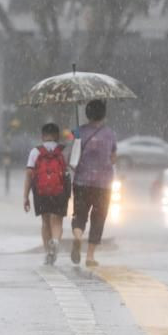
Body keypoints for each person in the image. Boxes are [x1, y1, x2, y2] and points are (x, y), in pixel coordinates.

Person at [71, 99, 116, 268]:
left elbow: (72, 157)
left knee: (80, 214)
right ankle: (89, 257)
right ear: (103, 114)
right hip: (103, 184)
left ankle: (77, 235)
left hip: (81, 181)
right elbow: (113, 158)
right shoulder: (110, 134)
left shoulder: (79, 132)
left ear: (87, 114)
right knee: (98, 218)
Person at [24, 123, 70, 265]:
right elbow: (70, 173)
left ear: (43, 136)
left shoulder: (35, 152)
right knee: (57, 220)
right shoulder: (64, 151)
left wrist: (25, 196)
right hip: (60, 190)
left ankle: (47, 252)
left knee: (45, 221)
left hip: (41, 191)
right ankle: (55, 241)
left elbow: (29, 174)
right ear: (58, 136)